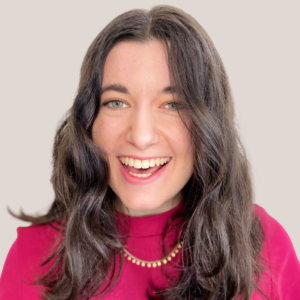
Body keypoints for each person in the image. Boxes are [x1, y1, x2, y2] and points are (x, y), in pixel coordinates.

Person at [0, 5, 299, 300]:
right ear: (88, 120)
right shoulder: (34, 257)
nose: (141, 137)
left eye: (173, 105)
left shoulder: (266, 247)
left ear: (209, 124)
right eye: (116, 102)